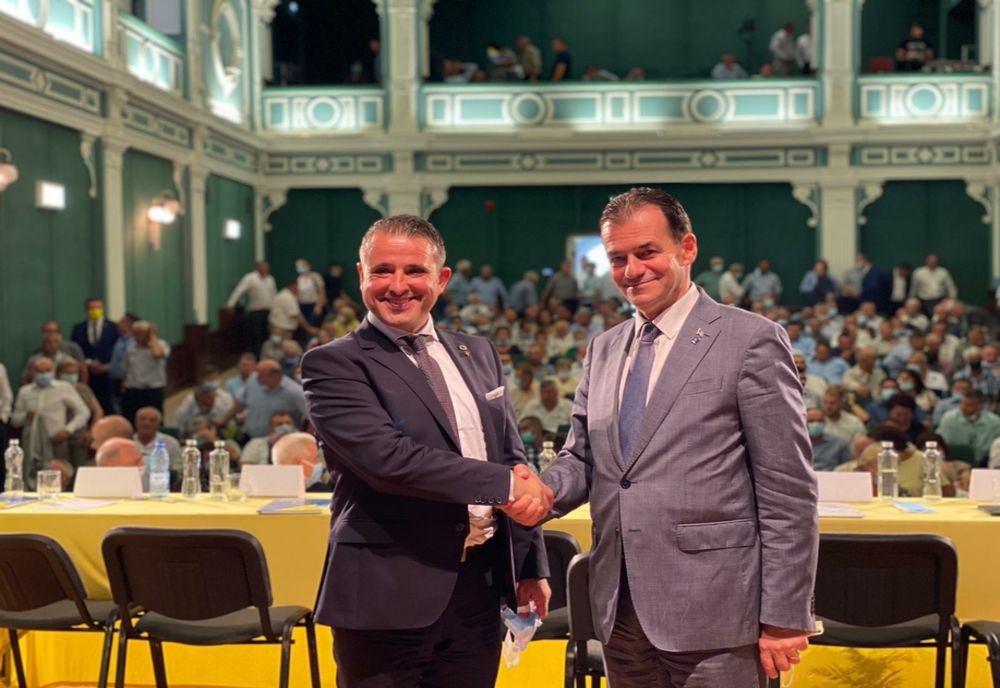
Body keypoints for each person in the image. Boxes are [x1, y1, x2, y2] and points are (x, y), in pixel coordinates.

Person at [509, 188, 817, 685]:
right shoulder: (604, 348)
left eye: (647, 252)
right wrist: (540, 492)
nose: (632, 270)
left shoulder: (751, 339)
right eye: (618, 259)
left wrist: (785, 614)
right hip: (619, 609)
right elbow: (583, 458)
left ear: (687, 248)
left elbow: (788, 490)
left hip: (718, 611)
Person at [299, 214, 551, 688]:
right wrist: (504, 485)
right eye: (382, 271)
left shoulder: (479, 353)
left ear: (442, 279)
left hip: (478, 593)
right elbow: (388, 460)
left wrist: (528, 567)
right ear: (362, 275)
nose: (398, 286)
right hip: (385, 593)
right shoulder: (333, 363)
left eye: (414, 271)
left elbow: (512, 458)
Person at [10, 356, 90, 488]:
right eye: (40, 371)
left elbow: (83, 412)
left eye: (47, 370)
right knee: (33, 480)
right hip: (33, 445)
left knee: (61, 480)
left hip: (57, 442)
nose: (44, 374)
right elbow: (15, 420)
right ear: (33, 373)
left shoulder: (64, 388)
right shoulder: (25, 392)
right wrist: (26, 416)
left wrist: (67, 430)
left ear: (53, 371)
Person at [217, 359, 307, 438]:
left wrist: (306, 439)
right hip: (250, 435)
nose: (256, 377)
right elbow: (241, 402)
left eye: (260, 375)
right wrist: (224, 420)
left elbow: (311, 418)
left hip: (278, 440)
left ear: (274, 376)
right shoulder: (253, 380)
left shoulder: (295, 393)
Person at [71, 296, 120, 412]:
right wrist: (88, 363)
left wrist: (107, 366)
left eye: (98, 308)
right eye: (92, 308)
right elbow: (75, 350)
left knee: (109, 406)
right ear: (86, 310)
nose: (95, 310)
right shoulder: (78, 328)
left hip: (107, 375)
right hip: (87, 373)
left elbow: (118, 350)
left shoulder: (113, 327)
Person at [121, 321, 170, 424]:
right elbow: (127, 367)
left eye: (138, 334)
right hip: (134, 389)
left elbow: (157, 354)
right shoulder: (130, 347)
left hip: (152, 390)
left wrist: (153, 335)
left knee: (154, 420)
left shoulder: (161, 345)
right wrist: (124, 384)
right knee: (132, 420)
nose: (135, 337)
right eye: (134, 334)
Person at [226, 261, 277, 356]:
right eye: (264, 268)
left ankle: (266, 355)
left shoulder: (270, 279)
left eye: (267, 268)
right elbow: (239, 290)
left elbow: (273, 294)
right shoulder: (250, 278)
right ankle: (256, 356)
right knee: (256, 336)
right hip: (255, 312)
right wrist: (231, 304)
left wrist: (275, 309)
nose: (266, 270)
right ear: (258, 268)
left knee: (267, 335)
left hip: (268, 311)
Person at [937, 392, 1000, 466]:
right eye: (962, 403)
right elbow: (940, 443)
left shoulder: (994, 422)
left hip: (984, 464)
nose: (964, 407)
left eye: (969, 404)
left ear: (979, 406)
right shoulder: (948, 419)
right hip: (953, 463)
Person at [133, 407, 182, 474]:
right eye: (143, 419)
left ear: (159, 425)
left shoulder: (171, 442)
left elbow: (177, 468)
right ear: (136, 422)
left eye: (152, 420)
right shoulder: (128, 441)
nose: (147, 423)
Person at [294, 259, 327, 327]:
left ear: (308, 265)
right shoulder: (299, 279)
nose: (300, 267)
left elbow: (322, 292)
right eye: (298, 266)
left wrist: (319, 306)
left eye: (302, 265)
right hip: (303, 306)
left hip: (314, 305)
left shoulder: (316, 276)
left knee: (315, 324)